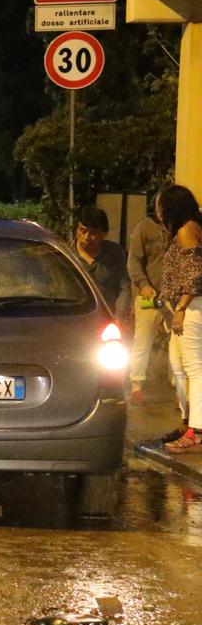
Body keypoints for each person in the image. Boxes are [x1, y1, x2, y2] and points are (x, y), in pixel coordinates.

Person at [157, 185, 202, 452]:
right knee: (178, 365)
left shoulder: (187, 229)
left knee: (194, 368)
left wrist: (183, 307)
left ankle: (196, 430)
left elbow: (195, 272)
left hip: (193, 306)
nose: (158, 210)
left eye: (161, 205)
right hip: (186, 307)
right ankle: (188, 421)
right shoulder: (187, 228)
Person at [126, 193, 170, 406]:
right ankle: (137, 385)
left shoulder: (182, 228)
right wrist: (143, 284)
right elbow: (133, 261)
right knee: (142, 342)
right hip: (149, 295)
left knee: (179, 345)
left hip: (175, 299)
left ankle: (178, 386)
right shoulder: (144, 228)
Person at [74, 207, 131, 320]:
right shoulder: (67, 255)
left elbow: (124, 288)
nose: (86, 237)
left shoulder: (115, 253)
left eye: (93, 233)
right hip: (75, 320)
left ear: (104, 234)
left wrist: (118, 318)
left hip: (107, 321)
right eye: (83, 231)